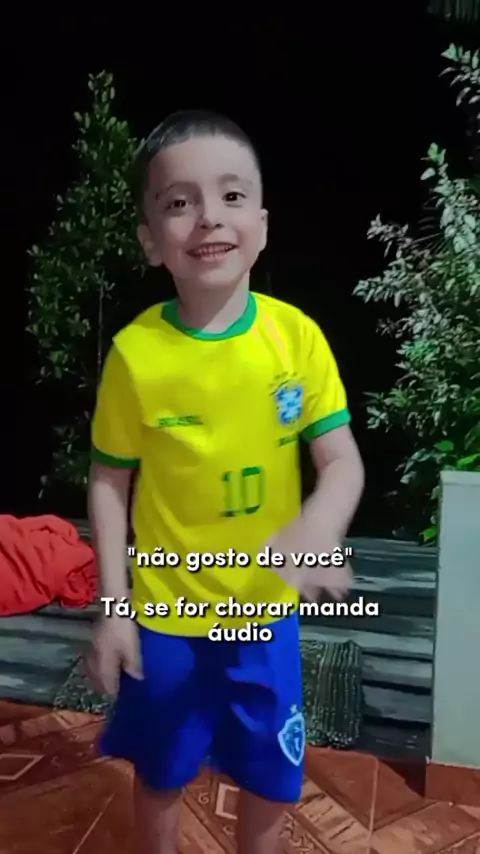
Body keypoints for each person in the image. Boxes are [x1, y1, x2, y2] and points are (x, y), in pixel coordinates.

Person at [87, 109, 365, 854]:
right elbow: (109, 482)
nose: (209, 216)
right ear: (152, 239)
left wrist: (319, 524)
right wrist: (113, 606)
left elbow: (341, 460)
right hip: (166, 617)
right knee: (161, 771)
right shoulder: (136, 355)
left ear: (262, 226)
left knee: (271, 776)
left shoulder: (296, 339)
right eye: (179, 202)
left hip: (264, 616)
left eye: (232, 195)